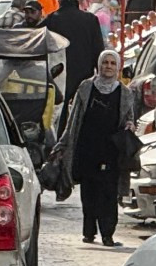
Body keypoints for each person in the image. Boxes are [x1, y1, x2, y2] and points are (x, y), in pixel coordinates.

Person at [54, 49, 139, 248]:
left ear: (117, 67)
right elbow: (74, 119)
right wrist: (64, 143)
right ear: (99, 65)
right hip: (87, 149)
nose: (108, 67)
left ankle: (107, 235)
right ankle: (89, 232)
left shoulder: (125, 93)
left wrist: (130, 126)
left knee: (109, 193)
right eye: (105, 63)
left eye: (112, 63)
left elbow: (129, 119)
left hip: (111, 152)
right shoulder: (86, 87)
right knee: (89, 192)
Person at [44, 0, 106, 102]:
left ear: (60, 1)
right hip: (84, 75)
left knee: (59, 114)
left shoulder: (51, 20)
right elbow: (98, 50)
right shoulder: (90, 20)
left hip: (58, 76)